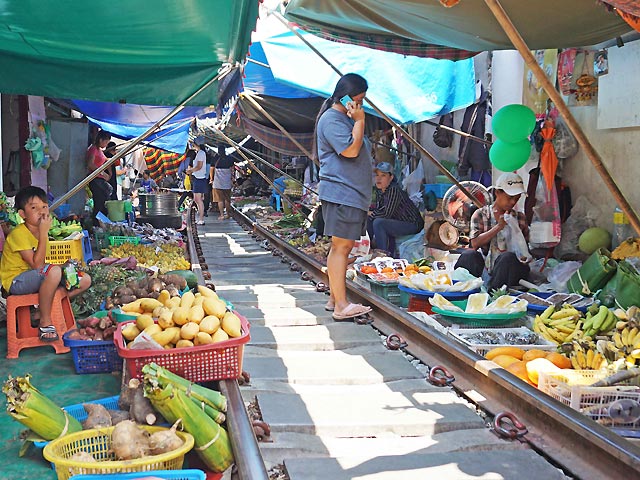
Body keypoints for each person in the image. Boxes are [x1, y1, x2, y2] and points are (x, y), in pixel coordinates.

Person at [314, 73, 372, 321]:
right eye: (360, 99)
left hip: (350, 193)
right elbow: (350, 150)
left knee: (342, 247)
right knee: (341, 247)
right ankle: (341, 306)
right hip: (343, 192)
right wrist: (359, 121)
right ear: (348, 97)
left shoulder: (340, 118)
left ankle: (334, 297)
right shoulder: (333, 120)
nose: (362, 104)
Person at [0, 187, 91, 341]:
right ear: (22, 215)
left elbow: (42, 264)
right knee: (53, 272)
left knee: (84, 279)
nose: (41, 211)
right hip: (16, 281)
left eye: (44, 206)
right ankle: (45, 321)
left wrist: (63, 266)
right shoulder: (19, 234)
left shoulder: (41, 232)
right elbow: (37, 265)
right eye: (34, 208)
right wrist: (43, 233)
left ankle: (41, 310)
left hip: (35, 277)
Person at [454, 172, 531, 291]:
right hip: (486, 267)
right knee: (468, 256)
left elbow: (524, 250)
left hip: (509, 271)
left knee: (507, 258)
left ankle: (494, 295)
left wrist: (524, 256)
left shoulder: (519, 218)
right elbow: (474, 244)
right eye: (510, 198)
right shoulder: (481, 214)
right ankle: (465, 293)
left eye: (516, 199)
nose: (512, 202)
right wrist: (498, 227)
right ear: (497, 192)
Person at [367, 162, 423, 254]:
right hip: (398, 221)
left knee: (378, 222)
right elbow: (379, 210)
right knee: (370, 219)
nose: (379, 178)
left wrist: (370, 213)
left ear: (391, 177)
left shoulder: (394, 190)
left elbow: (386, 213)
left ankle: (383, 254)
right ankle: (366, 248)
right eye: (377, 175)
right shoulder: (380, 191)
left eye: (383, 175)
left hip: (412, 224)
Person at [86, 130, 113, 223]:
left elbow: (107, 161)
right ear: (101, 140)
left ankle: (101, 223)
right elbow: (90, 164)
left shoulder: (100, 151)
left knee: (103, 202)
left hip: (100, 180)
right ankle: (96, 224)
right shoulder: (93, 149)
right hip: (95, 180)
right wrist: (102, 173)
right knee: (99, 203)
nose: (106, 144)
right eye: (106, 142)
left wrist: (110, 173)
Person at [186, 137, 208, 225]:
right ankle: (200, 217)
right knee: (196, 199)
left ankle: (201, 219)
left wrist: (190, 171)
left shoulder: (201, 153)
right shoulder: (199, 153)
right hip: (197, 178)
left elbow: (199, 166)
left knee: (198, 199)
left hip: (199, 178)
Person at [211, 144, 234, 220]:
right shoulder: (230, 159)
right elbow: (232, 170)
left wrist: (211, 179)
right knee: (227, 199)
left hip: (218, 182)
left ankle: (221, 215)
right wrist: (232, 178)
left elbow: (212, 169)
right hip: (227, 181)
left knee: (220, 200)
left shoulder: (215, 158)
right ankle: (227, 214)